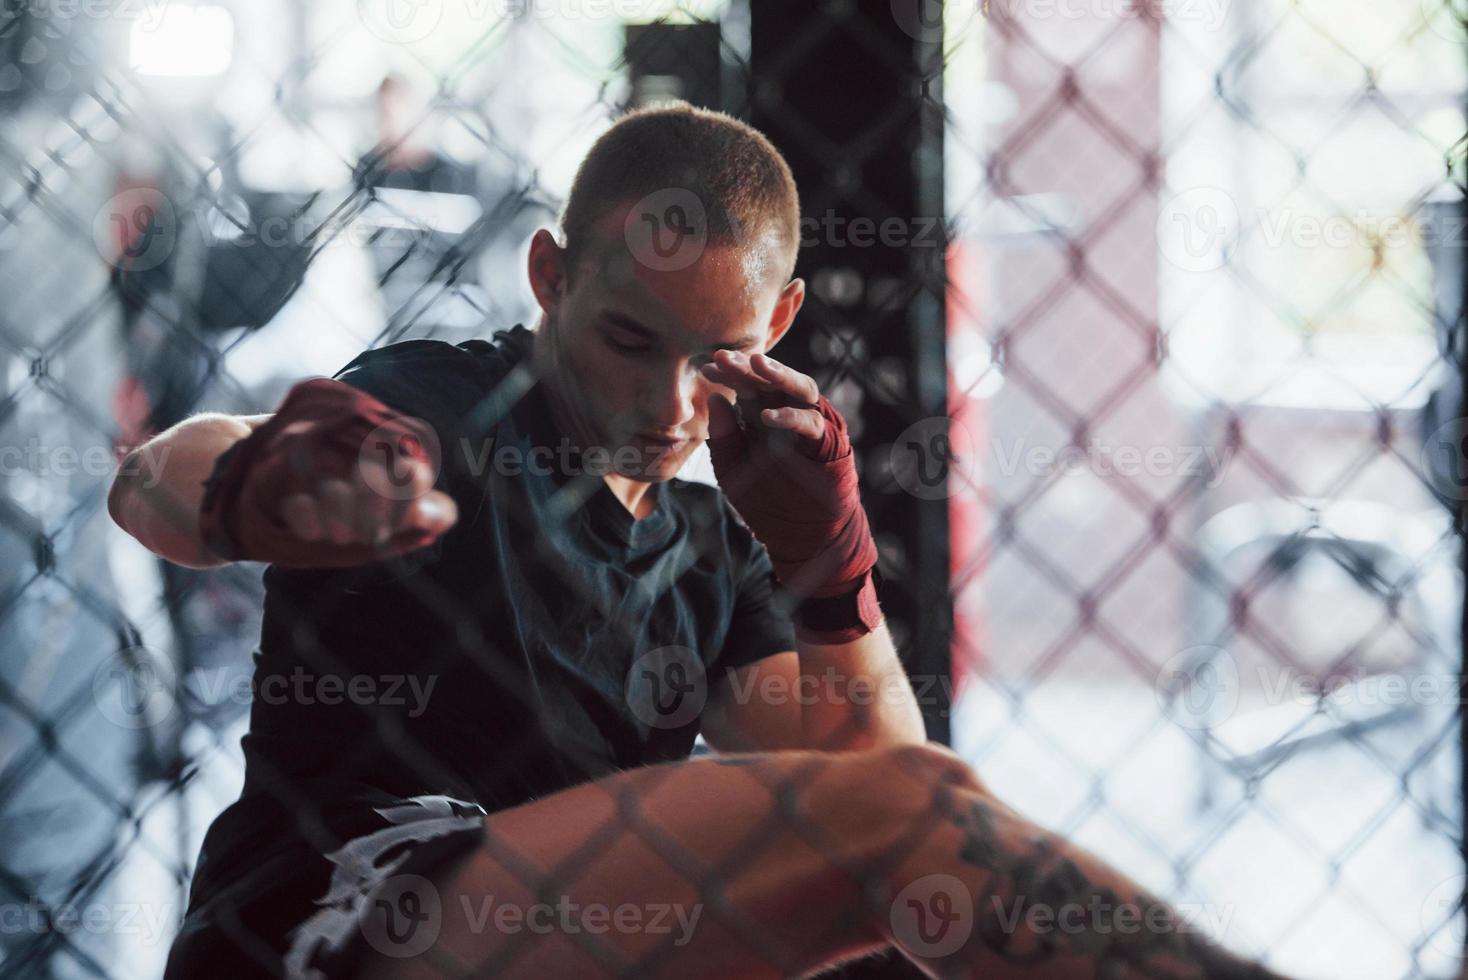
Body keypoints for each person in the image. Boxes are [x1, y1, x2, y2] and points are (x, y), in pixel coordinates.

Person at [110, 102, 1288, 980]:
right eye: (629, 338)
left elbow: (868, 775)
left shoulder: (714, 540)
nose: (670, 407)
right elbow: (154, 482)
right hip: (338, 921)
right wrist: (260, 482)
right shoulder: (444, 408)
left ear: (778, 324)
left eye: (711, 355)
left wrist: (833, 572)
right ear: (551, 277)